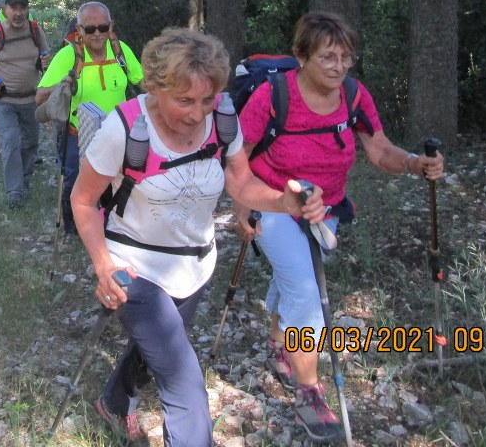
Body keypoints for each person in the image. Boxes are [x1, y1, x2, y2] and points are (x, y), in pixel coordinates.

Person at [69, 27, 326, 447]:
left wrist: (286, 201)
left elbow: (241, 183)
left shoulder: (223, 120)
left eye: (206, 99)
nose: (196, 113)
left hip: (195, 264)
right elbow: (82, 201)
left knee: (154, 352)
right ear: (154, 87)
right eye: (184, 100)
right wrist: (103, 265)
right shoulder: (125, 128)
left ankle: (114, 402)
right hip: (133, 268)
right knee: (184, 378)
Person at [233, 11, 445, 444]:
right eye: (328, 57)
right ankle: (309, 392)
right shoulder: (273, 97)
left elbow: (380, 149)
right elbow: (239, 156)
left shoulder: (353, 95)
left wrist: (413, 164)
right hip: (274, 203)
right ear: (301, 57)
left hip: (326, 208)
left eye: (346, 57)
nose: (339, 66)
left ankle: (278, 341)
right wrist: (241, 206)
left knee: (295, 281)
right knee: (308, 295)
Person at [36, 1, 143, 236]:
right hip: (78, 134)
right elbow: (39, 96)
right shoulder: (68, 56)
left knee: (118, 181)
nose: (97, 34)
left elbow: (143, 82)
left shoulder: (120, 51)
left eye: (102, 28)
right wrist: (63, 84)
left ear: (111, 26)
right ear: (80, 30)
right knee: (75, 182)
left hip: (118, 134)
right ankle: (75, 230)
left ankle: (112, 226)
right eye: (90, 28)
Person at [0, 0, 51, 207]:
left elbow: (45, 59)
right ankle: (14, 192)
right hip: (5, 101)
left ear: (27, 9)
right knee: (11, 142)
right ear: (4, 10)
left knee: (30, 144)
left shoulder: (36, 30)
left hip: (31, 99)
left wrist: (45, 64)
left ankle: (24, 183)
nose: (18, 13)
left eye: (23, 8)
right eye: (14, 8)